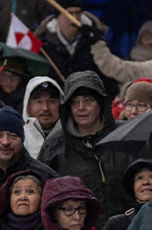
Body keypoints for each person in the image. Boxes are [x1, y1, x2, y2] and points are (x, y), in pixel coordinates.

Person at [38, 73, 134, 214]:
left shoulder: (125, 136)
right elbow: (43, 194)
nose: (81, 107)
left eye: (88, 100)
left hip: (127, 228)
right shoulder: (54, 145)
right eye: (74, 102)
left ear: (100, 103)